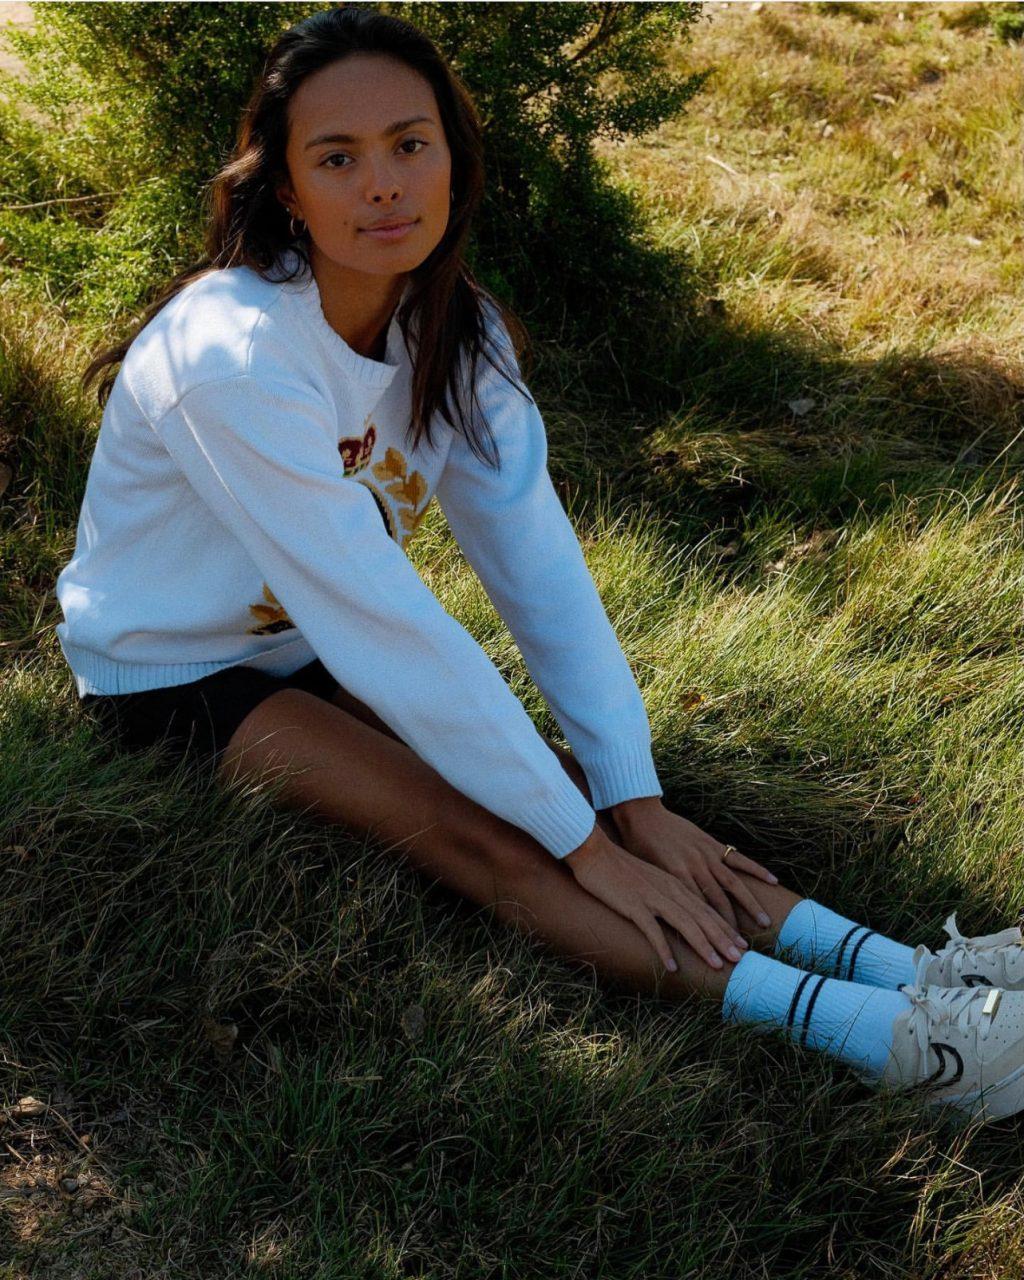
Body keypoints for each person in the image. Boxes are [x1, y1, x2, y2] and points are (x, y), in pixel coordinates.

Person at [55, 4, 1024, 1124]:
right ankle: (905, 1046)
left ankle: (912, 969)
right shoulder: (231, 357)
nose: (382, 185)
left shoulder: (453, 332)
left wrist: (627, 793)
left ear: (455, 161)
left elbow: (539, 570)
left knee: (579, 801)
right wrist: (580, 844)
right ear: (287, 192)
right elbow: (383, 620)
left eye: (409, 145)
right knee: (486, 833)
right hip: (172, 674)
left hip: (304, 642)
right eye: (338, 157)